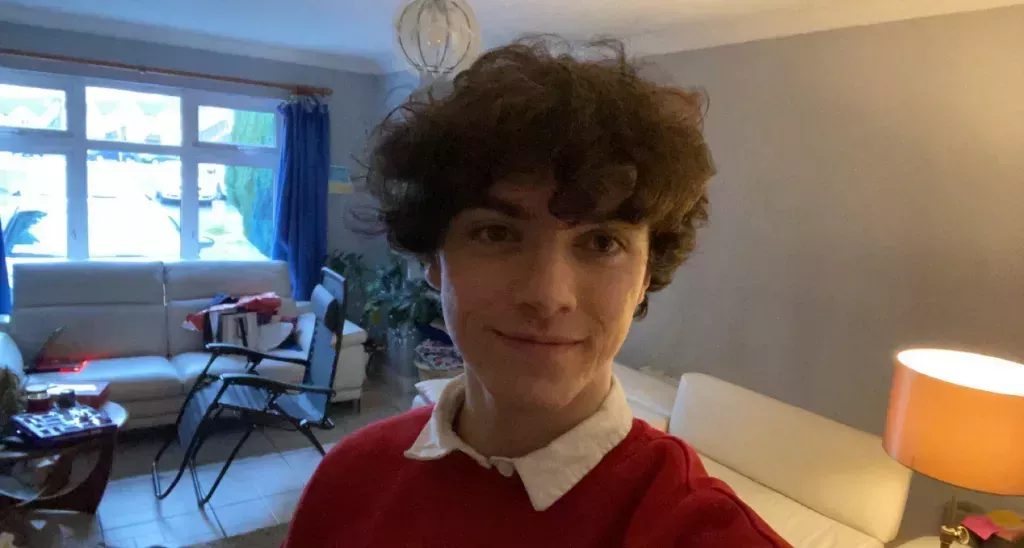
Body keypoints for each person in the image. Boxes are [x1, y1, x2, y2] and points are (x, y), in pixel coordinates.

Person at [284, 37, 790, 548]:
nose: (548, 296)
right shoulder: (348, 479)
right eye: (496, 234)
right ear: (435, 262)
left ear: (645, 276)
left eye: (601, 242)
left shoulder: (703, 533)